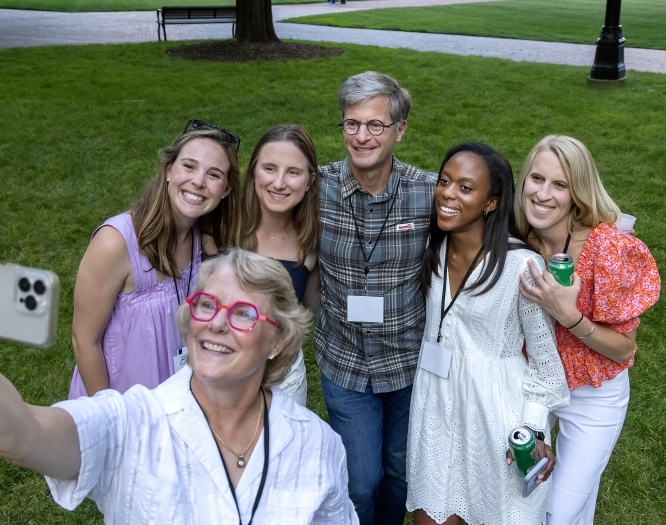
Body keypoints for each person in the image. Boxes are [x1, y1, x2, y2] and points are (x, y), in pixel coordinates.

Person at [0, 244, 359, 524]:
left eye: (242, 313)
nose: (216, 324)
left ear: (276, 339)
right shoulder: (132, 422)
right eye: (205, 306)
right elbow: (21, 435)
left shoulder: (316, 444)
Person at [406, 143, 570, 525]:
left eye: (465, 188)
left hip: (496, 415)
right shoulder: (435, 248)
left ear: (491, 203)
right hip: (435, 404)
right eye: (445, 181)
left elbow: (546, 364)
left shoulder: (521, 265)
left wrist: (530, 430)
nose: (447, 193)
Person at [514, 135, 660, 525]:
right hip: (532, 385)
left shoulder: (606, 249)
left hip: (594, 393)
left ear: (577, 193)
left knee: (558, 513)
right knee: (522, 495)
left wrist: (569, 315)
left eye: (559, 184)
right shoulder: (515, 237)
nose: (543, 194)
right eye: (536, 179)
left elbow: (624, 351)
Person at [315, 71, 437, 525]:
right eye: (352, 124)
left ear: (400, 130)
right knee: (360, 480)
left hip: (408, 361)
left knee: (400, 473)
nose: (361, 136)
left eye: (375, 125)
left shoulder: (428, 193)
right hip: (344, 360)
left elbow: (484, 234)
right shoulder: (315, 188)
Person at [69, 120, 241, 399]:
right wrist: (111, 417)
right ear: (168, 170)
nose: (198, 181)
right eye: (189, 166)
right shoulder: (116, 242)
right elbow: (84, 341)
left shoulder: (205, 242)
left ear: (226, 190)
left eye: (214, 174)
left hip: (178, 403)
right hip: (121, 406)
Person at [239, 124, 320, 406]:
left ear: (310, 180)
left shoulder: (311, 243)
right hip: (220, 377)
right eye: (269, 168)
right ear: (253, 172)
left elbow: (313, 306)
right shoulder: (220, 232)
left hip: (284, 381)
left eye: (293, 172)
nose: (279, 183)